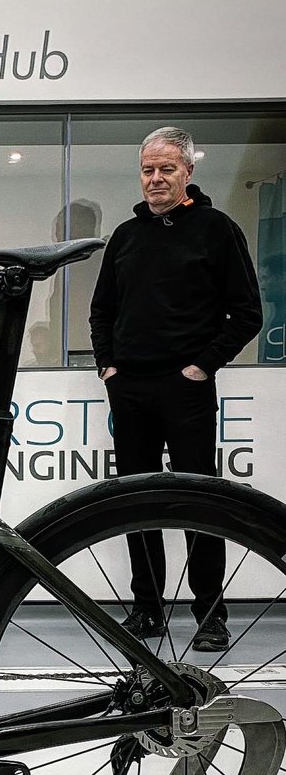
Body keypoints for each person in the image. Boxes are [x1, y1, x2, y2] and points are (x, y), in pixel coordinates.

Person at [90, 126, 263, 651]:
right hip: (130, 388)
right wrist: (108, 367)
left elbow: (248, 313)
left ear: (188, 170)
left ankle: (210, 615)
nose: (156, 178)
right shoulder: (125, 236)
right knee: (136, 502)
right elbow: (101, 311)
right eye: (148, 169)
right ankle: (147, 610)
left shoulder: (217, 229)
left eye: (167, 169)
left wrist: (202, 366)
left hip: (186, 389)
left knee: (198, 502)